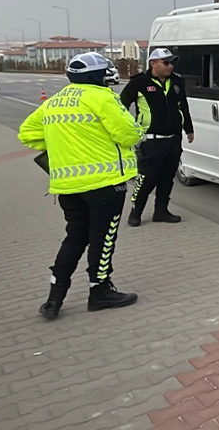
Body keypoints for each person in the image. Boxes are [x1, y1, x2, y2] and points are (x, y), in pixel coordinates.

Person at [18, 52, 142, 319]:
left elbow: (26, 132)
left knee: (75, 236)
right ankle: (99, 292)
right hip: (105, 184)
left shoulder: (54, 102)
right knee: (103, 238)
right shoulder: (103, 97)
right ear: (97, 76)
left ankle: (54, 298)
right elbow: (128, 133)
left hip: (67, 187)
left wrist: (62, 145)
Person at [120, 47, 194, 226]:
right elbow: (120, 107)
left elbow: (183, 106)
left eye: (172, 63)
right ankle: (135, 212)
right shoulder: (140, 83)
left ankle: (161, 211)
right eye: (166, 63)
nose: (170, 66)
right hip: (151, 141)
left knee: (167, 178)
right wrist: (132, 129)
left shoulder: (177, 82)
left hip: (173, 139)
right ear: (153, 64)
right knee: (147, 179)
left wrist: (188, 128)